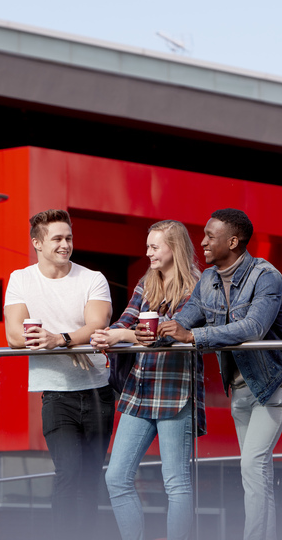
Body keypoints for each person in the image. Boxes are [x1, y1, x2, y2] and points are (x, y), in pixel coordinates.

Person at [158, 208, 282, 540]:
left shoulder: (266, 275)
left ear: (233, 241)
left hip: (274, 384)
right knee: (255, 470)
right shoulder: (207, 279)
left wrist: (194, 337)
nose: (202, 242)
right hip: (239, 386)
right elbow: (189, 316)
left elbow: (254, 327)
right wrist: (161, 331)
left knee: (252, 465)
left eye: (210, 236)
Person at [3, 209, 115, 540]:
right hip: (54, 393)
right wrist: (70, 343)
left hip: (98, 391)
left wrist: (60, 340)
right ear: (37, 243)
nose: (65, 245)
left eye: (69, 238)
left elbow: (96, 325)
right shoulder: (21, 279)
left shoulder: (93, 277)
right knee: (67, 473)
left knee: (90, 477)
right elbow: (14, 337)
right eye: (57, 239)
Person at [90, 219, 204, 540]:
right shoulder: (147, 282)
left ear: (174, 248)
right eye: (148, 246)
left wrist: (123, 335)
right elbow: (127, 320)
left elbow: (165, 334)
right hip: (139, 390)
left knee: (176, 482)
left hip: (175, 391)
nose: (148, 252)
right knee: (116, 478)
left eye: (154, 247)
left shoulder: (195, 286)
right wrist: (106, 334)